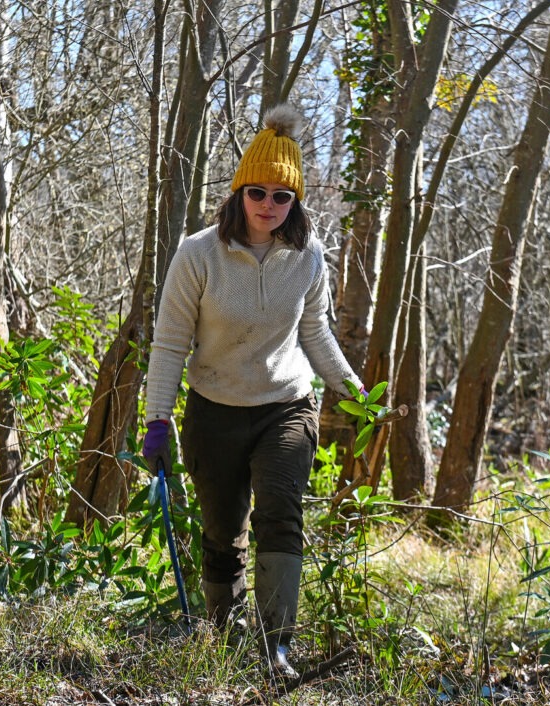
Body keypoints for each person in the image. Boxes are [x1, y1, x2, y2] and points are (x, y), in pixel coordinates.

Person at [141, 104, 362, 679]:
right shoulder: (198, 254)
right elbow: (169, 345)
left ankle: (275, 648)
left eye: (281, 196)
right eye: (257, 192)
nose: (268, 205)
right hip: (213, 408)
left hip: (285, 407)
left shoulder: (309, 256)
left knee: (281, 512)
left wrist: (352, 389)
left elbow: (315, 333)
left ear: (296, 202)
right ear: (239, 192)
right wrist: (157, 421)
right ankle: (222, 630)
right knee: (222, 529)